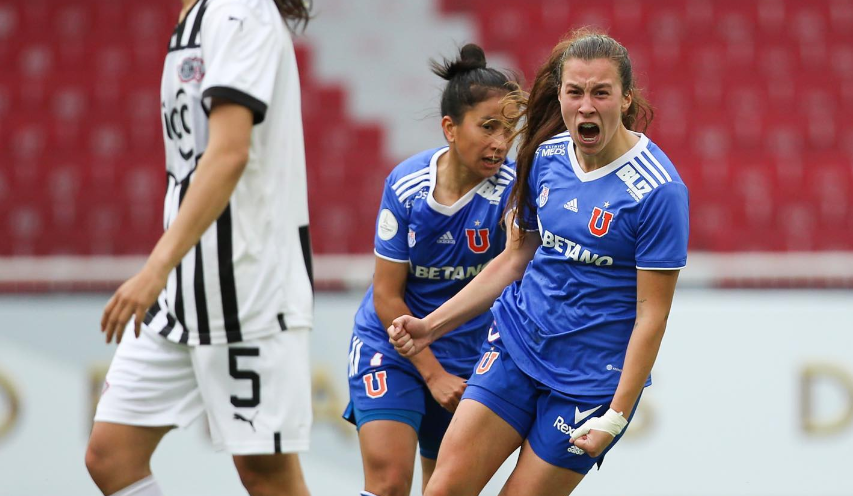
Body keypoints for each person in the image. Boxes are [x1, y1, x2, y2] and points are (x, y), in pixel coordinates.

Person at [388, 28, 690, 496]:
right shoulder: (546, 157)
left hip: (588, 384)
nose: (586, 106)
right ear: (561, 95)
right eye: (575, 92)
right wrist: (432, 326)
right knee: (443, 490)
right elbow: (515, 258)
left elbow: (653, 315)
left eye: (601, 93)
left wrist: (617, 414)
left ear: (626, 99)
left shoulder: (658, 190)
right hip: (516, 348)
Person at [85, 1, 314, 495]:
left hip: (247, 288)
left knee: (265, 476)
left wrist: (154, 269)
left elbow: (229, 153)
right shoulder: (194, 18)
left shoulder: (242, 11)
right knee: (110, 454)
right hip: (185, 289)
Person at [343, 44, 518, 496]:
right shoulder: (407, 187)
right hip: (393, 345)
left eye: (510, 129)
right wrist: (432, 372)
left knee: (445, 489)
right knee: (387, 483)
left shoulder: (513, 191)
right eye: (488, 127)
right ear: (450, 129)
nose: (501, 142)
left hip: (468, 357)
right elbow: (386, 296)